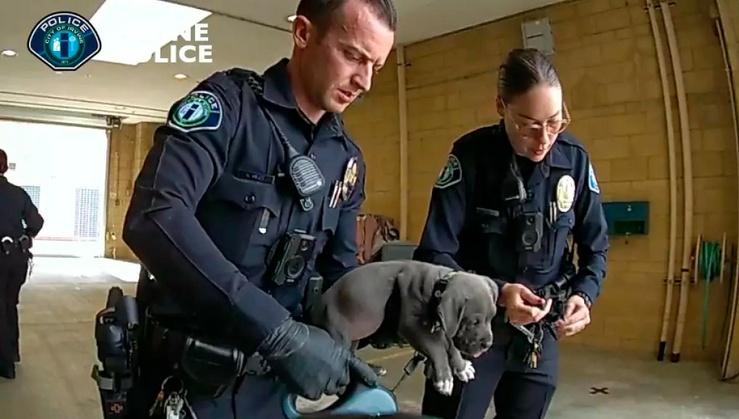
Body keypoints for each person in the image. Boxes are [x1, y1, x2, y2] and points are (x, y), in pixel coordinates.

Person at [117, 0, 398, 417]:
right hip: (188, 385)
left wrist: (394, 313)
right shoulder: (227, 107)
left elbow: (339, 277)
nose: (365, 81)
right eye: (353, 55)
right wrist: (276, 331)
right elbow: (154, 215)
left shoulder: (347, 160)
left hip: (274, 394)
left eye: (375, 65)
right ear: (303, 33)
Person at [412, 48, 609, 419]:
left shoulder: (575, 161)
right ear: (500, 106)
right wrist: (498, 293)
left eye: (554, 122)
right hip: (470, 332)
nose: (544, 138)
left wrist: (585, 295)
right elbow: (432, 256)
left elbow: (596, 248)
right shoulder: (470, 158)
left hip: (539, 337)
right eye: (528, 124)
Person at [0, 148, 44, 379]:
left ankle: (4, 361)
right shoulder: (18, 194)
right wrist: (25, 235)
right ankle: (11, 355)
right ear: (5, 168)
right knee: (9, 305)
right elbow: (37, 222)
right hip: (16, 257)